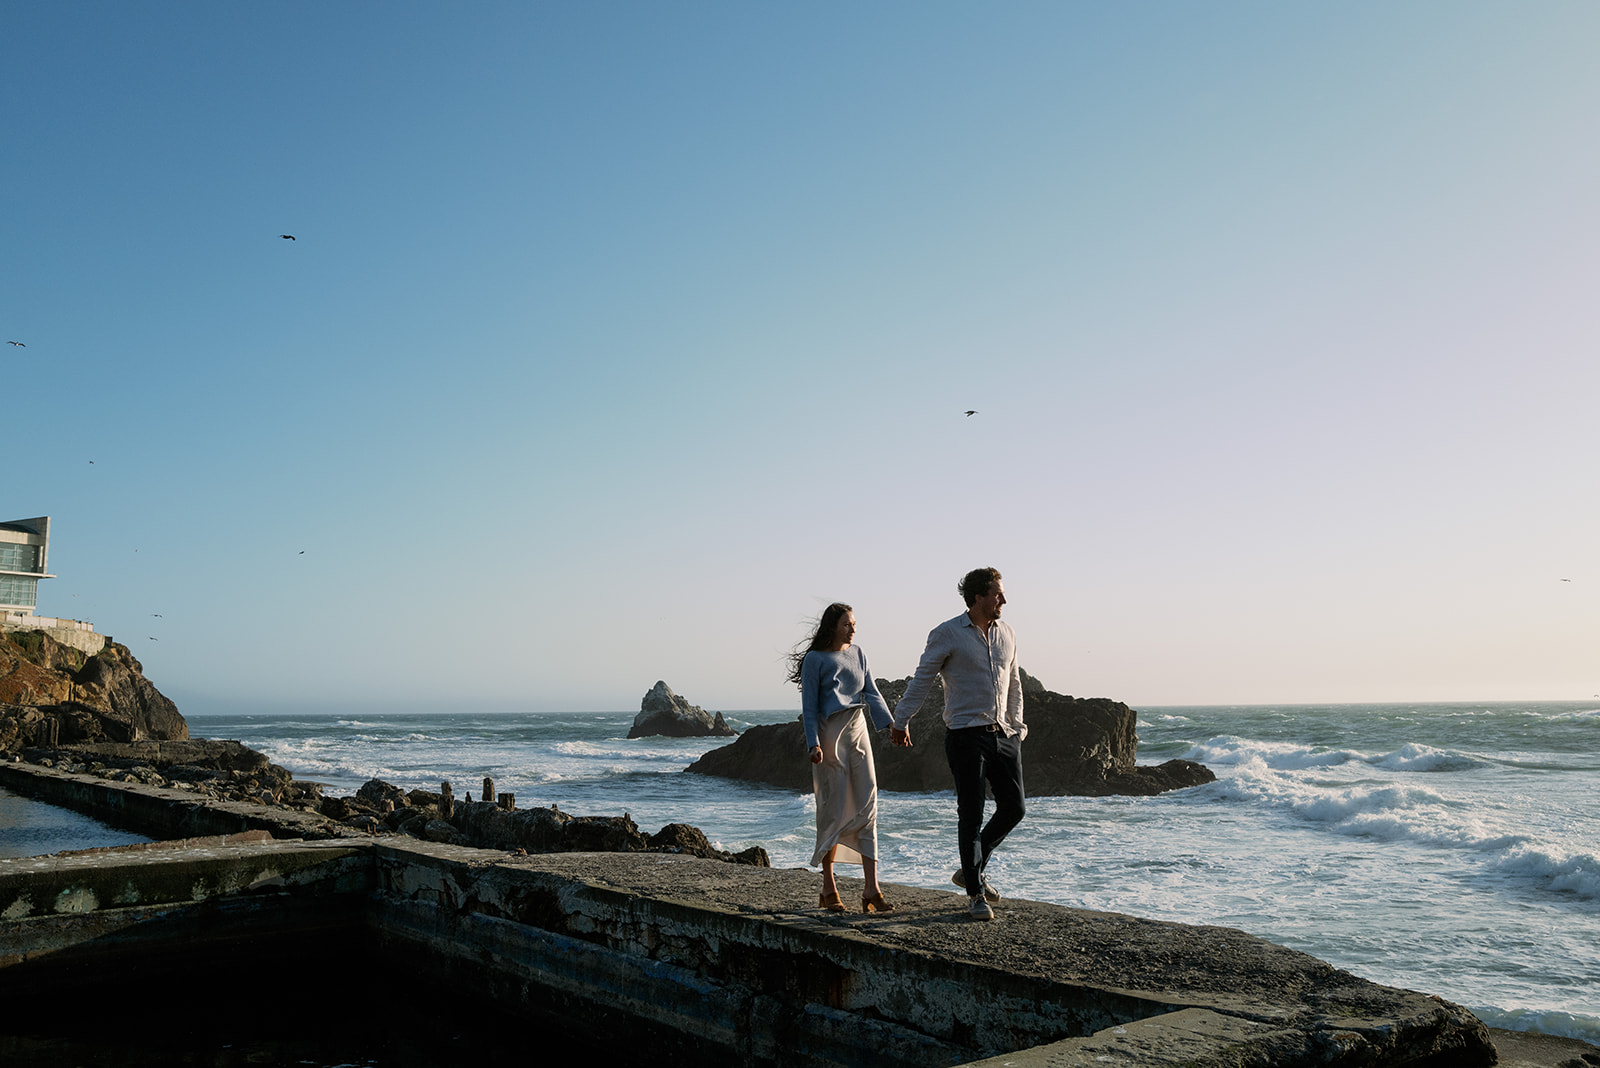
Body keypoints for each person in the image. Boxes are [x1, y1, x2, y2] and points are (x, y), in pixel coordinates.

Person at [889, 567, 1024, 921]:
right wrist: (901, 720)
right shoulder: (947, 633)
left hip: (1004, 734)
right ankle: (975, 893)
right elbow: (922, 680)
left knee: (1015, 808)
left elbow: (1015, 682)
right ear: (978, 597)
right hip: (966, 735)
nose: (1004, 600)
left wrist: (1018, 727)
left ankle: (971, 870)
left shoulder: (1007, 633)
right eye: (997, 594)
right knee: (972, 812)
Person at [787, 602, 896, 914]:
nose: (853, 628)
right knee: (832, 810)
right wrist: (813, 744)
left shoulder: (858, 653)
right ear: (832, 626)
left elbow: (871, 692)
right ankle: (828, 886)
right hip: (829, 736)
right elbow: (809, 706)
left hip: (858, 730)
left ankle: (871, 889)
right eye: (847, 623)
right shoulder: (815, 660)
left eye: (854, 623)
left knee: (868, 804)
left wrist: (890, 725)